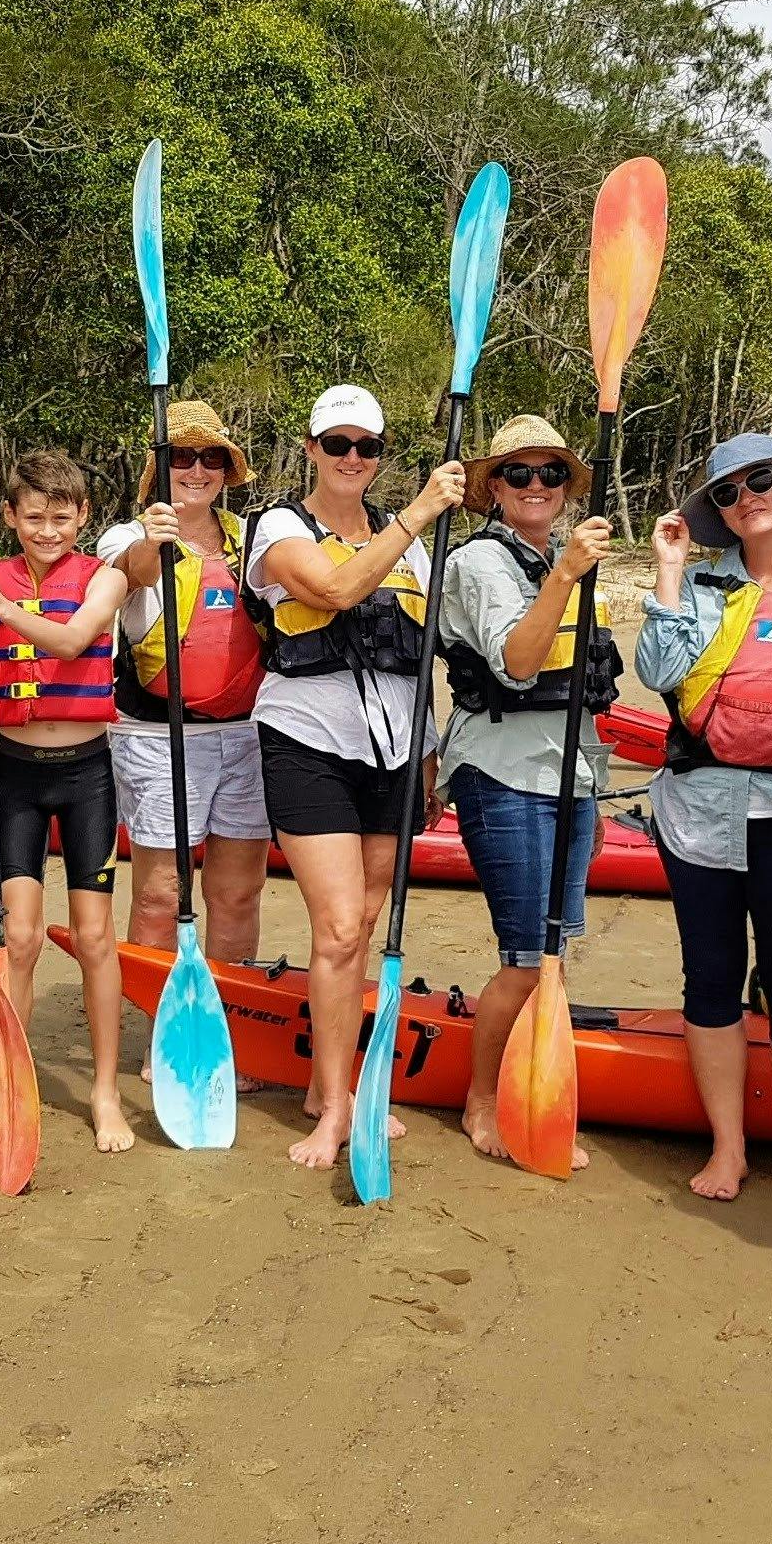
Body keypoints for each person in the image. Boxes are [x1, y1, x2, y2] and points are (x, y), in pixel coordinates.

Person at [246, 384, 466, 1169]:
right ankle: (336, 1104)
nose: (350, 459)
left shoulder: (405, 544)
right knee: (337, 927)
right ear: (311, 449)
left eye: (365, 448)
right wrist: (419, 514)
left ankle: (328, 1085)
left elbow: (418, 659)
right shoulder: (277, 526)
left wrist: (432, 750)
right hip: (308, 740)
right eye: (335, 445)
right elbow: (335, 590)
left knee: (361, 929)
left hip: (397, 752)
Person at [635, 433, 772, 1211]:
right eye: (727, 492)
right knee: (711, 976)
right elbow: (656, 671)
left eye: (760, 481)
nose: (745, 497)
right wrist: (663, 571)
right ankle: (727, 1147)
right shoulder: (700, 588)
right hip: (699, 809)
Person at [437, 415, 617, 1169]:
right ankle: (482, 1100)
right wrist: (566, 575)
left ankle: (535, 1091)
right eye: (518, 474)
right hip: (503, 774)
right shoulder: (480, 561)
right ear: (494, 488)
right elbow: (516, 662)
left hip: (571, 776)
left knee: (554, 954)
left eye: (549, 474)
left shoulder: (556, 554)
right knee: (523, 956)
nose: (535, 486)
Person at [0, 450, 137, 1154]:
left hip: (86, 774)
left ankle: (103, 1092)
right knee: (19, 938)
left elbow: (69, 641)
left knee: (94, 939)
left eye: (62, 518)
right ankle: (5, 1083)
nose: (47, 530)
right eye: (33, 518)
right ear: (9, 516)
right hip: (16, 774)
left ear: (83, 517)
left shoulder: (106, 577)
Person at [96, 402, 271, 968]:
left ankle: (224, 1018)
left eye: (211, 457)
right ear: (160, 467)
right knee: (160, 894)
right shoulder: (128, 536)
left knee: (237, 894)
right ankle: (158, 1034)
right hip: (158, 738)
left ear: (226, 468)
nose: (197, 470)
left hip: (248, 738)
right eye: (182, 456)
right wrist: (155, 540)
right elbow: (132, 572)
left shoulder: (253, 540)